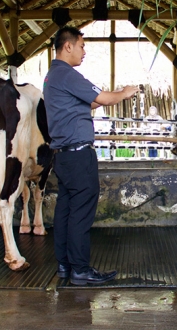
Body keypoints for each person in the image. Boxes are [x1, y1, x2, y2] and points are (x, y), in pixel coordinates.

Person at [43, 27, 139, 285]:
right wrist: (125, 92)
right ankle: (80, 269)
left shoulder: (53, 76)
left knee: (65, 209)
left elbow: (91, 101)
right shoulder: (68, 74)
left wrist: (112, 95)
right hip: (78, 155)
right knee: (81, 211)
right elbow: (104, 99)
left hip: (63, 157)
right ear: (68, 47)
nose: (84, 51)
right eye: (82, 46)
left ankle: (64, 264)